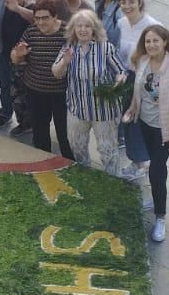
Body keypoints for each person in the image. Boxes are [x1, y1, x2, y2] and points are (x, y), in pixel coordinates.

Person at [121, 25, 169, 243]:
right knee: (152, 167)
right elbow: (138, 89)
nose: (151, 45)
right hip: (144, 123)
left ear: (165, 42)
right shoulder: (142, 61)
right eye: (148, 41)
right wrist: (132, 109)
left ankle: (161, 216)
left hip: (165, 129)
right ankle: (156, 199)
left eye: (155, 41)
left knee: (158, 170)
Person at [53, 12, 131, 177]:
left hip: (103, 111)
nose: (83, 30)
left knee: (107, 149)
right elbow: (56, 73)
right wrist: (64, 62)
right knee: (76, 144)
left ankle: (114, 179)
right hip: (78, 108)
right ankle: (84, 175)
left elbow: (121, 71)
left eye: (87, 26)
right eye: (79, 26)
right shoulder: (68, 48)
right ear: (73, 29)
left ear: (94, 29)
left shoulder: (105, 48)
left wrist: (116, 84)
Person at [9, 0, 73, 158]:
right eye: (37, 18)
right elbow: (14, 57)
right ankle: (43, 159)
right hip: (35, 90)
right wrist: (18, 55)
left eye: (45, 18)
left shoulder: (67, 33)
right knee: (40, 131)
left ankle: (69, 161)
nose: (41, 22)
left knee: (63, 132)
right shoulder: (31, 32)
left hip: (61, 93)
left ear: (55, 16)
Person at [0, 0, 29, 130]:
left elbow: (35, 19)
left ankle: (26, 122)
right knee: (5, 86)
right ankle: (5, 113)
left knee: (22, 93)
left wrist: (17, 9)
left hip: (25, 60)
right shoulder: (3, 8)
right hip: (5, 54)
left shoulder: (31, 7)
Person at [115, 0, 158, 65]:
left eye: (131, 2)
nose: (127, 6)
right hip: (124, 73)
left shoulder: (153, 26)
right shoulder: (121, 23)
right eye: (123, 2)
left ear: (140, 3)